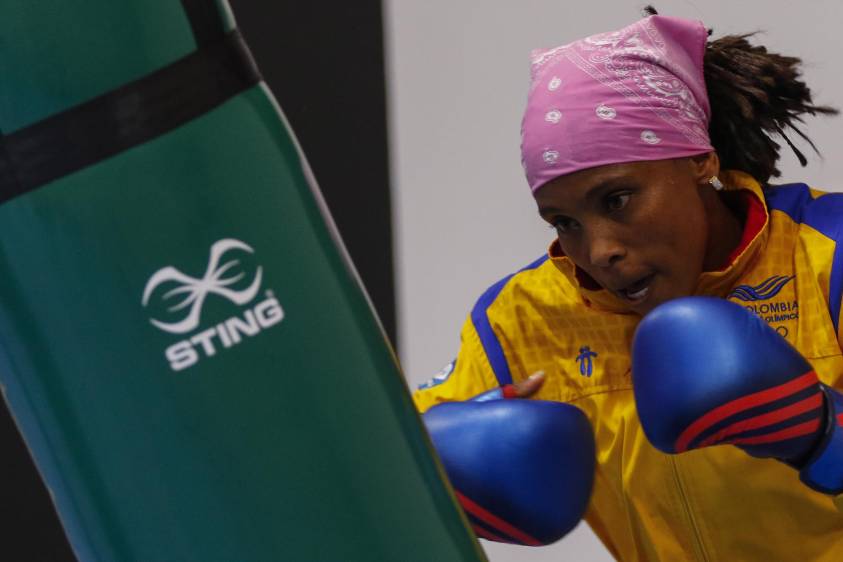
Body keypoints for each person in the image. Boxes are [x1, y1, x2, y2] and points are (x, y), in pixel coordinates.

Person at [413, 7, 843, 561]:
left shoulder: (824, 256)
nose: (598, 252)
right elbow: (373, 478)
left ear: (698, 160)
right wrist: (435, 470)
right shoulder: (526, 319)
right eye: (564, 223)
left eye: (617, 200)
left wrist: (820, 431)